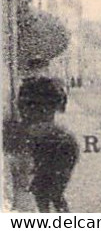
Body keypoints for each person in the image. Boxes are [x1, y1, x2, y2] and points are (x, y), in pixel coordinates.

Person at [13, 75, 79, 212]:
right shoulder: (46, 86)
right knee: (51, 193)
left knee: (47, 193)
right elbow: (60, 102)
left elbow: (21, 106)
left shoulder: (30, 87)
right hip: (47, 138)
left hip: (46, 140)